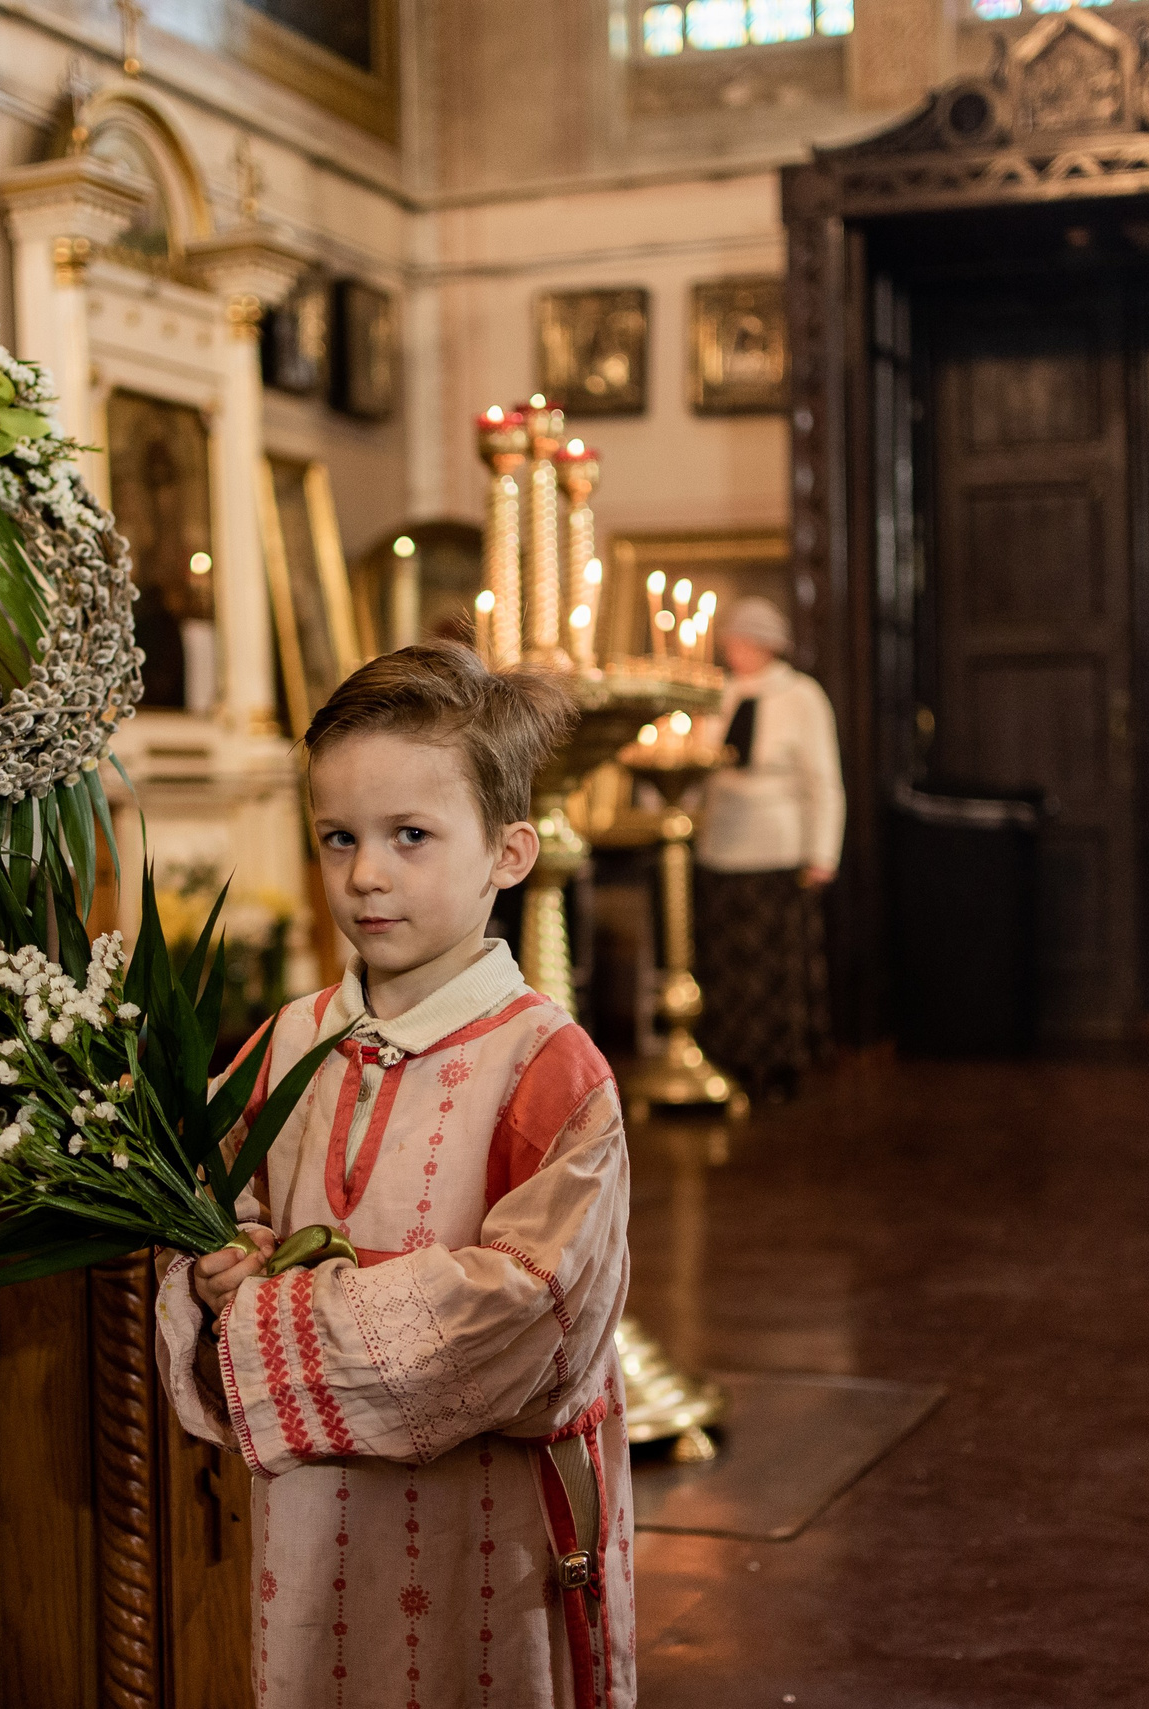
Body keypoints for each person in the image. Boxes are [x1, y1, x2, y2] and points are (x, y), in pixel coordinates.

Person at [155, 641, 637, 1709]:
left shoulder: (547, 1068)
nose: (365, 873)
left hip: (490, 1529)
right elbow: (207, 1202)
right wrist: (215, 1264)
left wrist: (274, 1311)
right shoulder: (288, 1043)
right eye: (339, 838)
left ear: (508, 853)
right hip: (315, 1522)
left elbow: (532, 1311)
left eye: (409, 835)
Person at [695, 596, 844, 1100]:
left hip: (778, 849)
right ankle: (731, 1058)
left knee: (774, 965)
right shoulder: (718, 691)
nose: (734, 650)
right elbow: (698, 762)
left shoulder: (802, 696)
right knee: (730, 963)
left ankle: (778, 1065)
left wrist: (822, 852)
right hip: (722, 844)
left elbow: (823, 780)